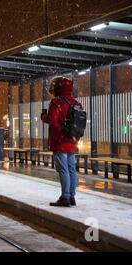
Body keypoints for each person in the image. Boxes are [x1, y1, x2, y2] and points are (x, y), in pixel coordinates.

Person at [41, 77, 81, 207]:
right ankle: (72, 196)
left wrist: (44, 117)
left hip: (59, 140)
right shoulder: (76, 103)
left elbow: (52, 119)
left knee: (63, 170)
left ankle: (65, 197)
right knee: (71, 170)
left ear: (57, 87)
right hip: (72, 140)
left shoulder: (56, 102)